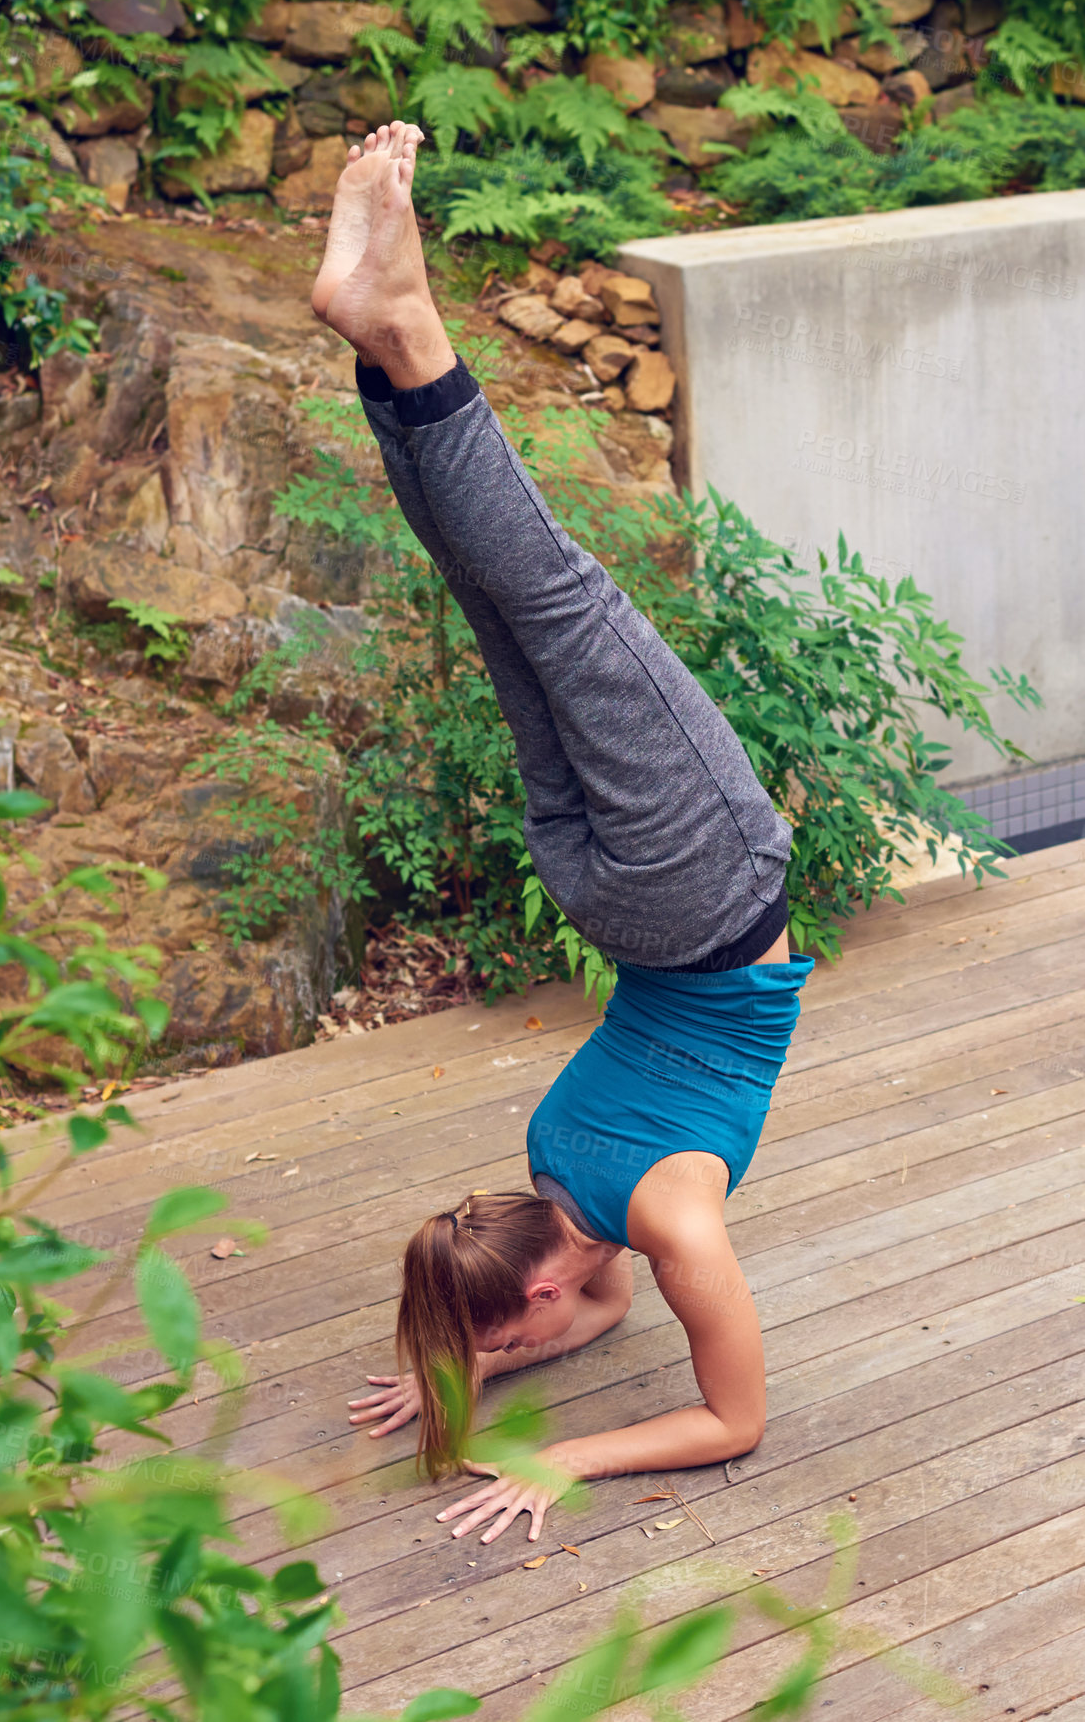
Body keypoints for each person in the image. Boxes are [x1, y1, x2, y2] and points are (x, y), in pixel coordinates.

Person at [311, 121, 813, 1547]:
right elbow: (660, 1368)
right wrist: (472, 1365)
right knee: (516, 601)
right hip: (614, 894)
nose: (557, 1327)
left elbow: (717, 1406)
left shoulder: (661, 1223)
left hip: (699, 895)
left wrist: (545, 1439)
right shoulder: (545, 1170)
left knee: (546, 594)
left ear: (539, 1281)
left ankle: (400, 328)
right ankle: (384, 337)